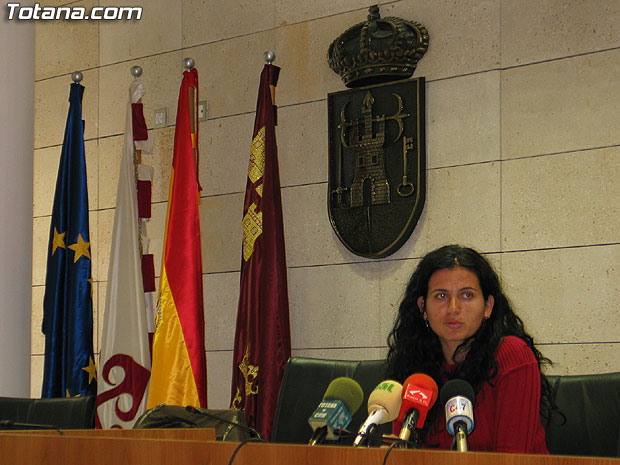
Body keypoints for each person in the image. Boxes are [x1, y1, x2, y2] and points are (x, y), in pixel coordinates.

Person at [386, 244, 553, 454]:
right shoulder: (413, 368)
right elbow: (400, 452)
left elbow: (512, 458)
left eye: (467, 295)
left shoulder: (512, 355)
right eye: (441, 296)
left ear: (488, 306)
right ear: (423, 309)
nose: (453, 308)